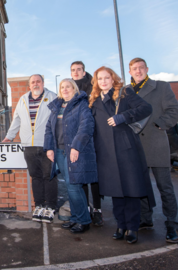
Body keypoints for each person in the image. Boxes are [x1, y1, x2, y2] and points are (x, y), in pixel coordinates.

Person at [90, 66, 154, 244]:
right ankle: (121, 225)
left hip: (126, 150)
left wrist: (124, 116)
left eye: (106, 78)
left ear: (113, 79)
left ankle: (132, 228)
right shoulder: (94, 101)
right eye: (100, 79)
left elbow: (146, 108)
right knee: (115, 190)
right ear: (96, 82)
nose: (103, 81)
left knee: (131, 189)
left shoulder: (124, 93)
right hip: (105, 152)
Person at [128, 58, 178, 243]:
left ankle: (172, 223)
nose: (138, 71)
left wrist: (159, 124)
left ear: (147, 69)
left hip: (156, 143)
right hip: (135, 146)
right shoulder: (126, 91)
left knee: (165, 187)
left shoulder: (161, 87)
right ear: (130, 71)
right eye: (134, 68)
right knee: (141, 185)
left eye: (141, 68)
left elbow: (174, 110)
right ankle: (145, 218)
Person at [3, 74, 58, 223]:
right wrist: (9, 136)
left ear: (43, 83)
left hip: (47, 144)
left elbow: (58, 120)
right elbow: (16, 120)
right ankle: (39, 205)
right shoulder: (23, 100)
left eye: (38, 81)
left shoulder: (52, 97)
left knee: (49, 176)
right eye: (33, 82)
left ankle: (51, 207)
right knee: (36, 176)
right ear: (29, 85)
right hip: (29, 145)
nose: (36, 84)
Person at [44, 79, 97, 233]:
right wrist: (49, 148)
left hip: (73, 151)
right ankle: (75, 218)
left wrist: (76, 146)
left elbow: (86, 126)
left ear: (74, 89)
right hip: (59, 151)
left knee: (74, 186)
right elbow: (49, 129)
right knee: (70, 185)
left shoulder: (81, 105)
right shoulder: (57, 107)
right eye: (62, 87)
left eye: (68, 87)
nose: (65, 89)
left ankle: (84, 220)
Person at [70, 61, 103, 226]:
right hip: (78, 138)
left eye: (78, 70)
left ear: (84, 72)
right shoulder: (71, 90)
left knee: (94, 176)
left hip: (95, 136)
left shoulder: (94, 89)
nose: (76, 72)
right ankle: (87, 208)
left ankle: (98, 209)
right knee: (82, 174)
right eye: (73, 70)